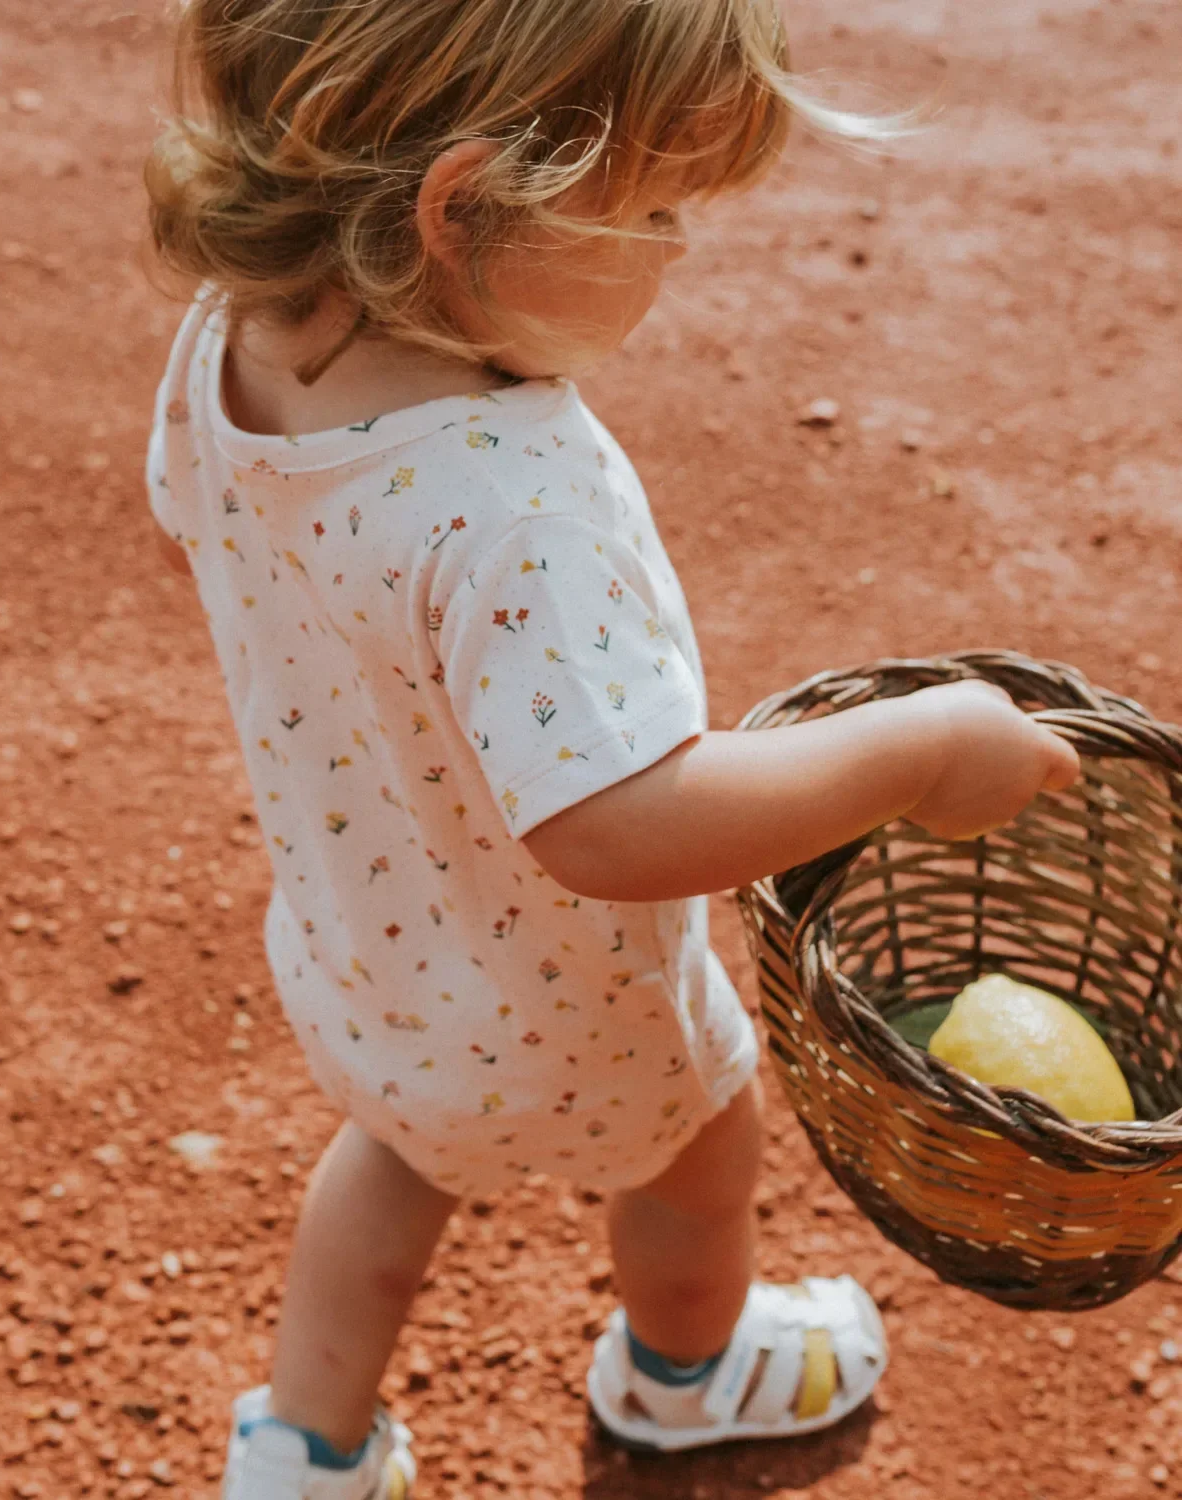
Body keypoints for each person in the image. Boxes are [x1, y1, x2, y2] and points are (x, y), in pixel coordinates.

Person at [141, 2, 1081, 1494]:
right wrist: (913, 753)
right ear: (462, 207)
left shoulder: (230, 345)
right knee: (703, 1155)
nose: (675, 251)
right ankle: (688, 1377)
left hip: (365, 949)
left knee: (391, 1165)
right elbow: (618, 822)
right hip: (568, 1002)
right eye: (649, 209)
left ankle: (301, 1457)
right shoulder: (518, 499)